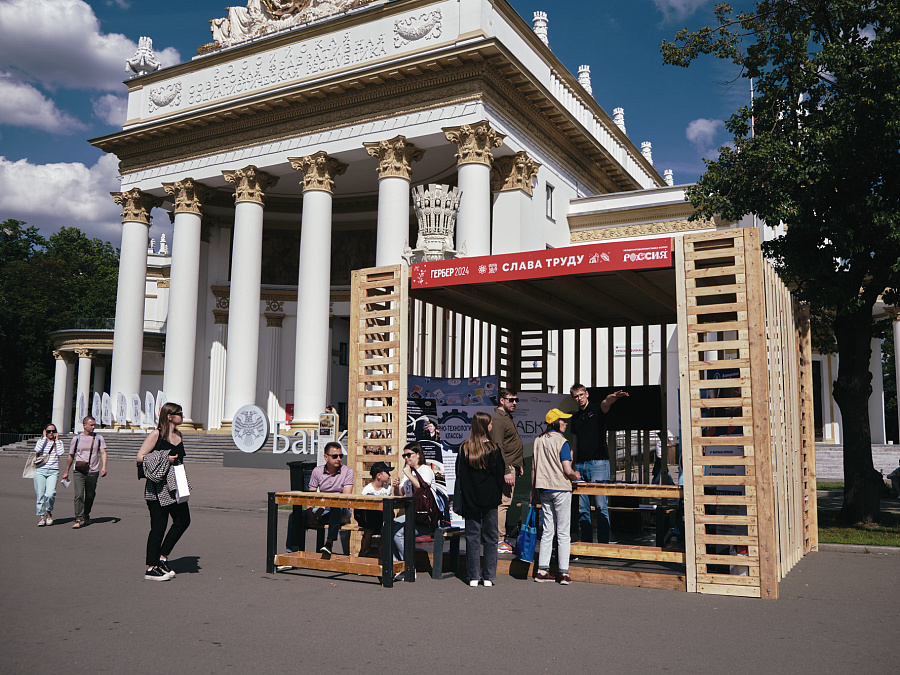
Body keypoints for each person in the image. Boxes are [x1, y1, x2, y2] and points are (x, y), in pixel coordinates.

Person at [137, 402, 192, 581]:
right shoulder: (156, 434)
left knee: (183, 521)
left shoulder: (179, 435)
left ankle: (162, 557)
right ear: (169, 416)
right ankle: (151, 567)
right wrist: (164, 458)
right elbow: (140, 457)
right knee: (158, 528)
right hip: (157, 489)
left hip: (175, 486)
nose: (182, 416)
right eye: (179, 413)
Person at [569, 384, 629, 543]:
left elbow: (606, 403)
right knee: (583, 509)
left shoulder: (597, 409)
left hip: (599, 464)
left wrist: (614, 396)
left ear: (587, 394)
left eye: (581, 395)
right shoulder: (575, 418)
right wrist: (569, 467)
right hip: (580, 465)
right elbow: (574, 444)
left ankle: (603, 544)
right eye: (576, 396)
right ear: (573, 399)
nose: (579, 398)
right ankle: (587, 544)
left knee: (601, 506)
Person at [456, 412, 506, 587]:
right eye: (490, 423)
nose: (491, 426)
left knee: (472, 538)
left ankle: (473, 576)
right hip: (490, 499)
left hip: (470, 500)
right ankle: (489, 576)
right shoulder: (493, 449)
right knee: (491, 538)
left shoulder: (464, 448)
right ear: (485, 426)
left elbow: (459, 475)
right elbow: (499, 475)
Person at [531, 408, 580, 584]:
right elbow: (567, 470)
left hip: (543, 489)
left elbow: (534, 469)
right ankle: (564, 572)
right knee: (563, 532)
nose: (566, 423)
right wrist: (576, 475)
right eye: (563, 420)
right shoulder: (563, 442)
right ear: (555, 422)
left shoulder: (538, 440)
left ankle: (542, 570)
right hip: (561, 488)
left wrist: (532, 491)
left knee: (547, 531)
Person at [390, 441, 436, 580]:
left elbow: (423, 489)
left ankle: (408, 567)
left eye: (409, 455)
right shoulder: (408, 472)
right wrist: (397, 487)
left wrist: (409, 475)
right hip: (412, 515)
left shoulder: (424, 470)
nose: (406, 458)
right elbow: (402, 495)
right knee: (388, 526)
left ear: (418, 454)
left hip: (426, 517)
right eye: (404, 455)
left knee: (398, 532)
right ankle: (397, 565)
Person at [490, 389, 523, 554]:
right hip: (505, 467)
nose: (515, 403)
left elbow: (510, 444)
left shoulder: (506, 417)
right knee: (503, 503)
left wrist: (519, 463)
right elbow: (498, 446)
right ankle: (499, 540)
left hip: (511, 465)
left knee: (505, 502)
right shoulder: (497, 419)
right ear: (502, 400)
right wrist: (506, 471)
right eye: (511, 400)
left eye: (516, 400)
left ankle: (500, 539)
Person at [307, 441, 355, 555]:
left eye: (341, 456)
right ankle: (292, 552)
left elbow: (345, 499)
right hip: (324, 510)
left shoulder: (347, 472)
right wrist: (309, 513)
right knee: (295, 515)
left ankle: (329, 543)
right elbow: (310, 497)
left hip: (342, 511)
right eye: (335, 456)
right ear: (326, 457)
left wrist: (323, 506)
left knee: (336, 507)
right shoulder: (317, 471)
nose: (338, 458)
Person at [61, 415, 108, 529]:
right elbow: (71, 455)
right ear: (84, 426)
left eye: (94, 425)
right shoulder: (76, 439)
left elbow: (103, 453)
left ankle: (86, 513)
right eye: (91, 425)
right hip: (79, 470)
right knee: (79, 494)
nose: (93, 427)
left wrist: (104, 467)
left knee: (90, 495)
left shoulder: (98, 438)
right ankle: (78, 518)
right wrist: (66, 470)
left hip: (93, 470)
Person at [357, 461, 393, 557]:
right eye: (387, 473)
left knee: (385, 530)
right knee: (368, 531)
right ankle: (363, 556)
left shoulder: (388, 488)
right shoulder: (367, 490)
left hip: (383, 518)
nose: (389, 475)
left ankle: (381, 558)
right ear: (379, 475)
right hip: (370, 519)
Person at [33, 423, 66, 527]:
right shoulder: (41, 441)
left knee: (51, 494)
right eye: (48, 431)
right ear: (45, 432)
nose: (51, 433)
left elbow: (61, 453)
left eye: (53, 431)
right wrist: (43, 438)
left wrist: (56, 441)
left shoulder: (59, 442)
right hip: (40, 470)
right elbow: (37, 450)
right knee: (40, 495)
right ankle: (41, 517)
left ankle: (49, 511)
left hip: (53, 471)